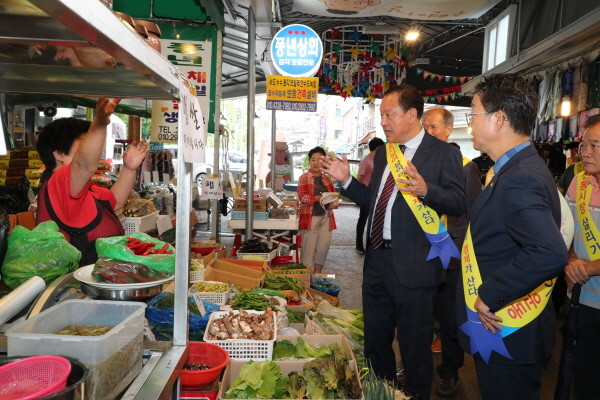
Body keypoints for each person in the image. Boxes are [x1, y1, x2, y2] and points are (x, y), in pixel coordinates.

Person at [320, 85, 466, 399]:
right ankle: (380, 393)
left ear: (412, 115)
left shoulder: (443, 153)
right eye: (382, 115)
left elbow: (458, 202)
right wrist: (345, 180)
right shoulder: (387, 152)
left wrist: (427, 189)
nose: (383, 122)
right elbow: (374, 202)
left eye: (389, 114)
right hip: (376, 264)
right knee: (375, 341)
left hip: (415, 268)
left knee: (414, 348)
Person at [456, 74, 567, 400]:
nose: (471, 124)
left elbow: (549, 252)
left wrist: (490, 293)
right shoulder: (517, 167)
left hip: (512, 333)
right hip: (506, 332)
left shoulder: (520, 178)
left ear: (499, 118)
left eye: (473, 113)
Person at [36, 98, 148, 266]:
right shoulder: (58, 184)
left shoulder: (85, 188)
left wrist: (129, 168)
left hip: (97, 280)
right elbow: (84, 165)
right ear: (59, 154)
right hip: (73, 284)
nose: (95, 149)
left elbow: (114, 202)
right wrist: (100, 122)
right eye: (83, 143)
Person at [422, 107, 482, 397]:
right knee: (419, 311)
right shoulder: (414, 162)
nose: (429, 133)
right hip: (421, 251)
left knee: (448, 317)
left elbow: (473, 213)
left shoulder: (465, 165)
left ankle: (449, 371)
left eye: (434, 127)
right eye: (425, 127)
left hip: (452, 254)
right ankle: (417, 365)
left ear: (448, 129)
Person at [563, 120, 600, 400]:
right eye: (583, 145)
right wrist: (572, 260)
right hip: (582, 300)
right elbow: (567, 230)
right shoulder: (579, 181)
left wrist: (588, 268)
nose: (584, 152)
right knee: (584, 378)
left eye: (594, 145)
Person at [298, 146, 338, 275]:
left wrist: (333, 203)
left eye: (319, 160)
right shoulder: (304, 178)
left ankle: (318, 276)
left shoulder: (327, 178)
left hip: (326, 218)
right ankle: (306, 280)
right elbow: (303, 197)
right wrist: (320, 198)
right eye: (313, 160)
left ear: (324, 161)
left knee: (323, 248)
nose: (316, 163)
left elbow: (332, 197)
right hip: (310, 218)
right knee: (308, 250)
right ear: (309, 162)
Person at [355, 137, 385, 254]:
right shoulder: (366, 161)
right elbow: (359, 179)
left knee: (375, 221)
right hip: (367, 195)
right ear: (377, 148)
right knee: (363, 219)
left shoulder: (382, 160)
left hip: (379, 195)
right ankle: (359, 244)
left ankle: (373, 245)